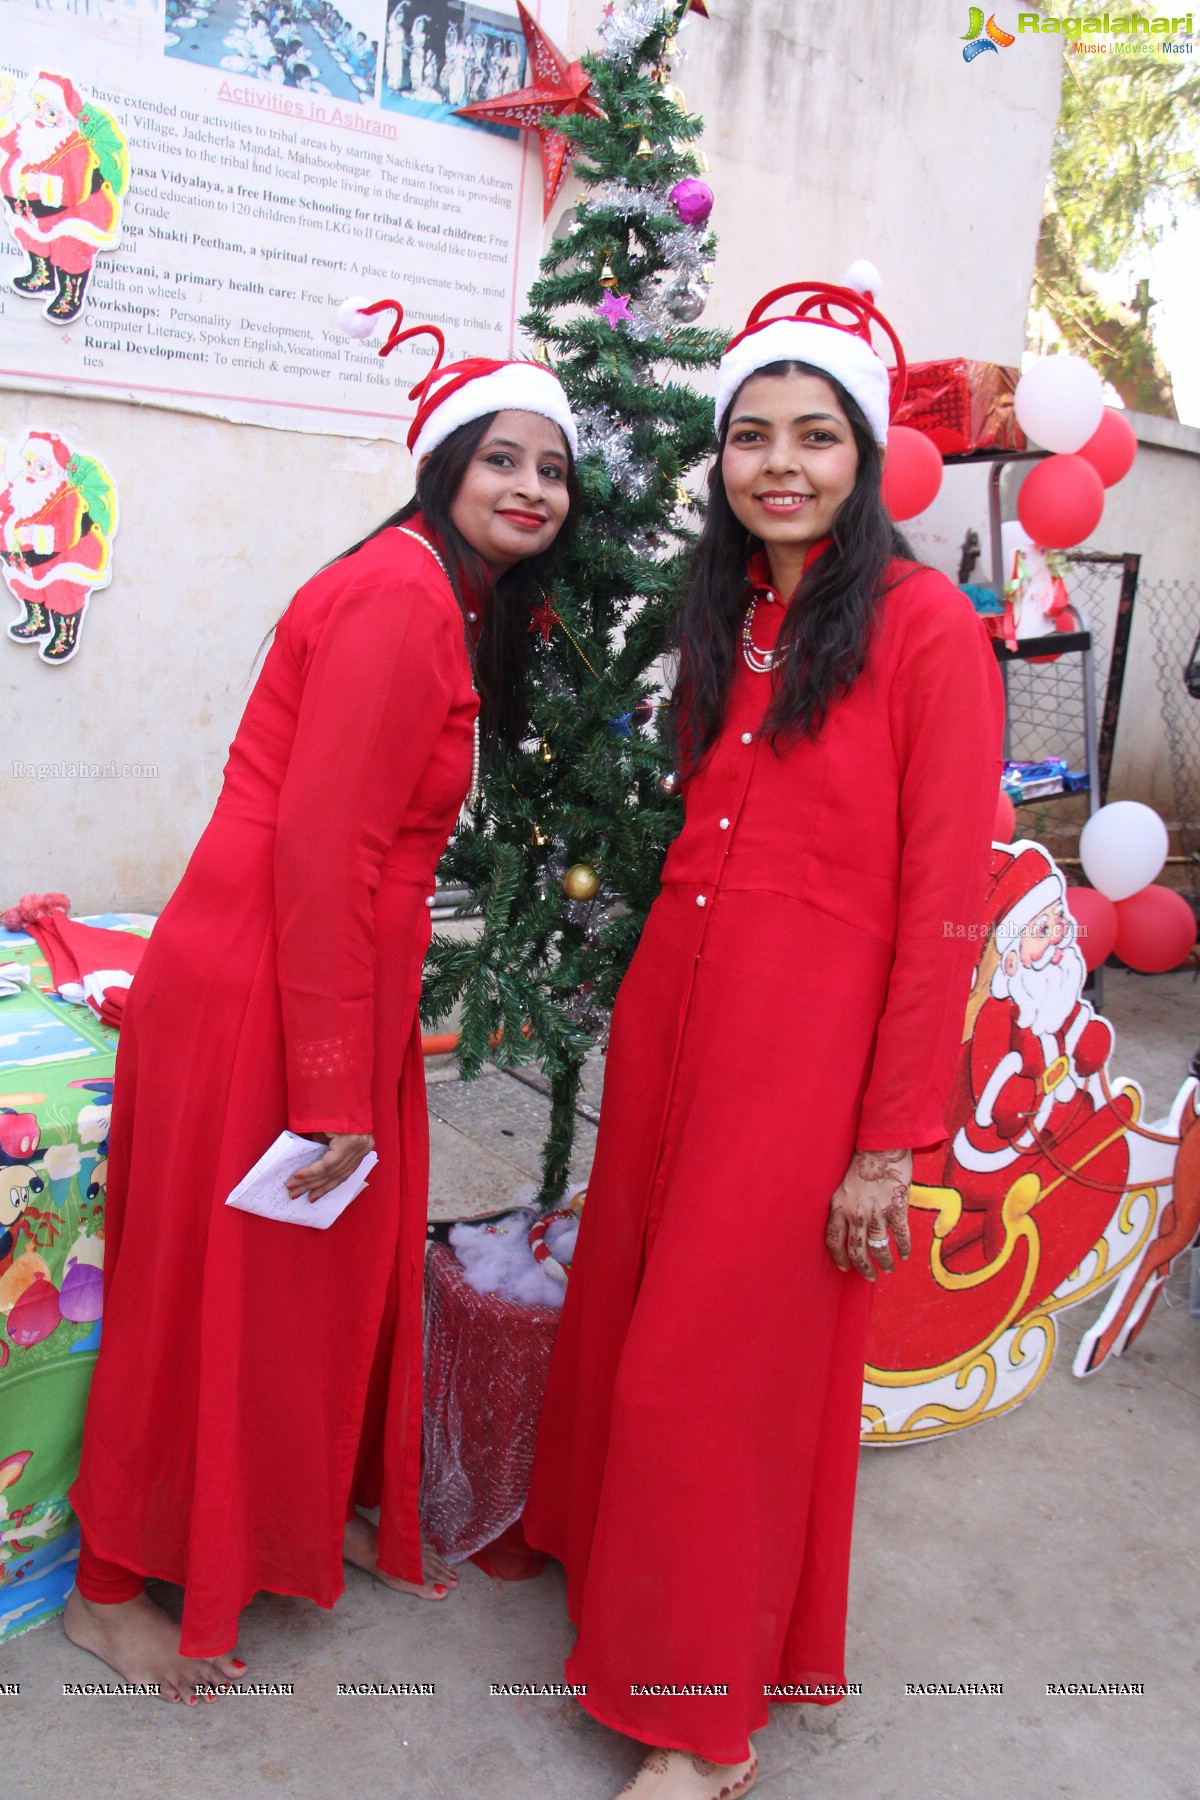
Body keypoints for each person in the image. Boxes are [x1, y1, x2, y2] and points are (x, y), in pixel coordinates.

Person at [522, 270, 1005, 1799]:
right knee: (632, 1294)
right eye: (750, 437)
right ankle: (623, 1596)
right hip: (682, 996)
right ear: (721, 461)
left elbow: (945, 905)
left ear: (863, 458)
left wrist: (886, 1139)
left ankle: (701, 1725)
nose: (779, 464)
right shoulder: (730, 611)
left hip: (812, 1038)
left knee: (714, 1360)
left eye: (814, 436)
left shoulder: (928, 633)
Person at [66, 313, 578, 1705]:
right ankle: (111, 1589)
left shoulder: (436, 593)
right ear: (445, 463)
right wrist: (337, 1081)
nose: (532, 487)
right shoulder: (404, 597)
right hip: (267, 984)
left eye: (555, 470)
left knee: (308, 1291)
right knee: (204, 1298)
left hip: (323, 973)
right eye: (505, 459)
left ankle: (291, 1524)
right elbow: (321, 852)